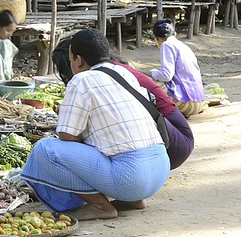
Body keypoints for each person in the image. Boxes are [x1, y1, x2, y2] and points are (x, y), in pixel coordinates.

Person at [21, 29, 170, 221]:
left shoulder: (82, 79)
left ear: (78, 60)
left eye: (71, 59)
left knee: (45, 149)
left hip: (131, 178)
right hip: (159, 170)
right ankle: (133, 200)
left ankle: (100, 206)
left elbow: (67, 137)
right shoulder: (123, 73)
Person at [52, 37, 194, 170]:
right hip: (171, 140)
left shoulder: (103, 76)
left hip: (175, 141)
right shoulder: (113, 69)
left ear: (78, 60)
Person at [149, 19, 206, 117]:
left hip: (189, 104)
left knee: (151, 83)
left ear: (157, 38)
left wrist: (150, 73)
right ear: (175, 34)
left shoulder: (166, 45)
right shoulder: (182, 45)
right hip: (199, 101)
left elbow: (166, 76)